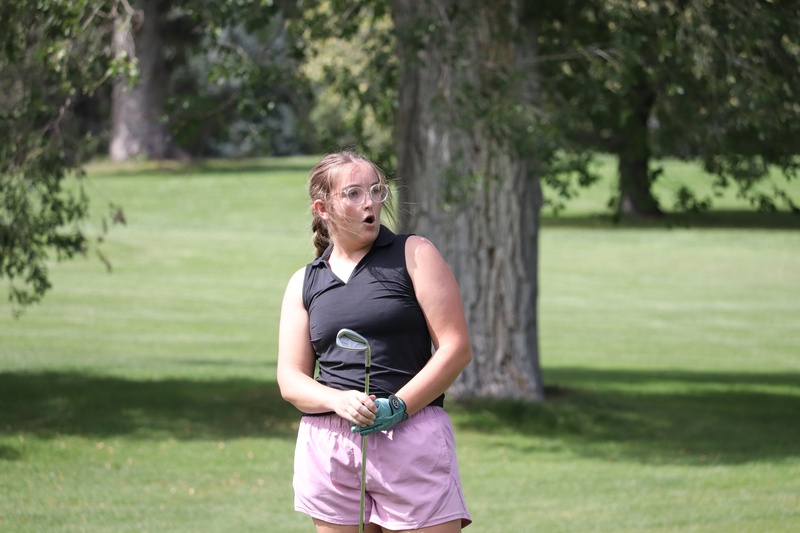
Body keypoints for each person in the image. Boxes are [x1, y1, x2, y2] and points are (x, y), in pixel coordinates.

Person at [278, 150, 473, 532]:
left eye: (376, 190)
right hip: (330, 446)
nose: (370, 202)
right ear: (322, 208)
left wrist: (399, 406)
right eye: (353, 193)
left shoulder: (414, 253)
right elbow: (290, 379)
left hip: (411, 434)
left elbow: (455, 347)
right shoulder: (305, 281)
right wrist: (337, 400)